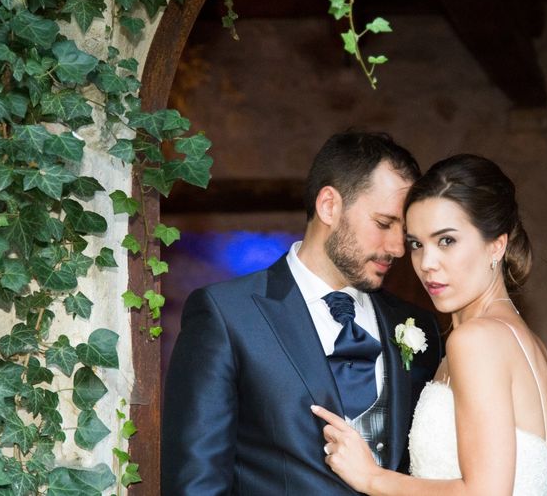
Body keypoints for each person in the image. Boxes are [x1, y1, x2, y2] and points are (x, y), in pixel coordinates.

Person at [161, 131, 442, 495]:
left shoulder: (419, 325)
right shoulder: (227, 315)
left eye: (403, 232)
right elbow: (196, 484)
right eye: (384, 224)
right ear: (329, 205)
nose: (396, 248)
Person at [311, 154, 547, 496]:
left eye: (446, 241)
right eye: (416, 244)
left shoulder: (476, 340)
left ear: (496, 245)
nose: (427, 263)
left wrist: (371, 478)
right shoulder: (526, 343)